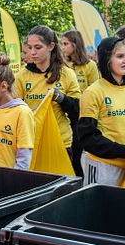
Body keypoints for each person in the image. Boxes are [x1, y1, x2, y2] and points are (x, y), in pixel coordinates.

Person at [77, 36, 125, 186]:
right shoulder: (93, 92)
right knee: (100, 209)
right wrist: (124, 151)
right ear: (107, 59)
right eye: (119, 56)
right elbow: (88, 138)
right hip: (103, 166)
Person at [16, 26, 81, 166]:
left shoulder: (66, 74)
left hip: (61, 141)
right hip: (31, 141)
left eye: (38, 47)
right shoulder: (22, 75)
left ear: (51, 46)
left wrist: (61, 98)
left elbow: (77, 110)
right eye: (30, 47)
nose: (32, 52)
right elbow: (15, 109)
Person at [61, 29, 99, 177]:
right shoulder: (63, 66)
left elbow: (95, 90)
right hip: (64, 114)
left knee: (77, 156)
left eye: (65, 43)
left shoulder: (90, 65)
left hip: (81, 116)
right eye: (61, 44)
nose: (62, 47)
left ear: (75, 45)